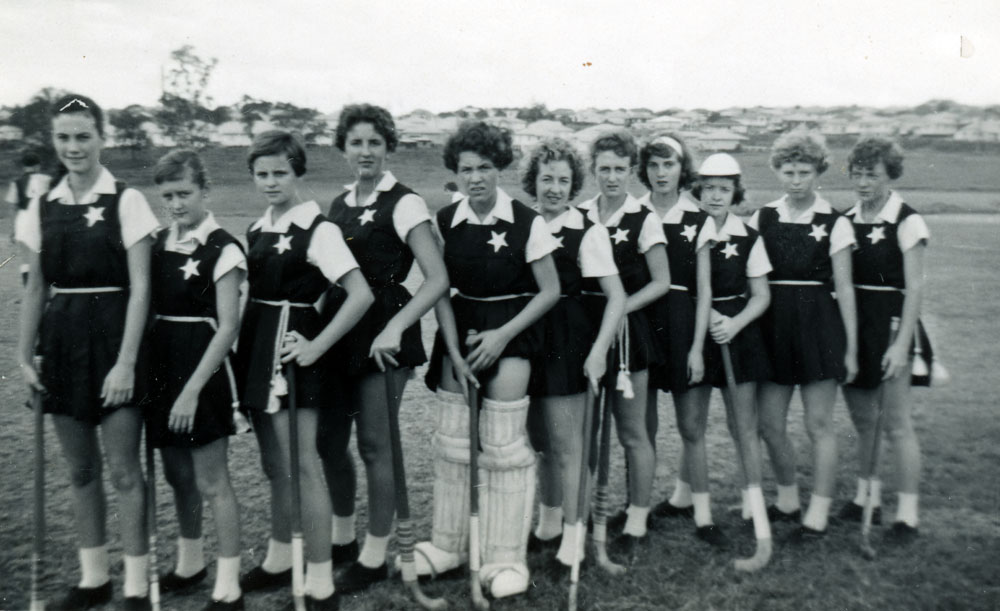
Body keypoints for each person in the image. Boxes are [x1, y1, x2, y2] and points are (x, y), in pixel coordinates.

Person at [17, 94, 159, 610]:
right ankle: (94, 579)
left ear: (102, 137)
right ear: (54, 142)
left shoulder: (127, 200)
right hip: (61, 344)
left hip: (115, 342)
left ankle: (138, 588)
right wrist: (22, 356)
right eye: (64, 137)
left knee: (123, 471)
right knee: (80, 471)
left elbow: (142, 288)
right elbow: (35, 288)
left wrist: (125, 361)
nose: (73, 147)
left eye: (83, 136)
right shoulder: (41, 206)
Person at [415, 121, 560, 598]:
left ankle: (504, 559)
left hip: (510, 332)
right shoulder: (446, 220)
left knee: (502, 447)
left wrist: (502, 336)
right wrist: (453, 348)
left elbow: (550, 290)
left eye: (484, 168)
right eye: (465, 169)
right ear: (455, 173)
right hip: (461, 329)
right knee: (454, 442)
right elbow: (440, 289)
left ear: (500, 169)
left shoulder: (526, 220)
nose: (475, 178)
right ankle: (450, 544)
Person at [236, 130, 373, 611]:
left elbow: (360, 294)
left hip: (294, 354)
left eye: (280, 172)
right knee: (273, 464)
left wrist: (316, 346)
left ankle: (320, 581)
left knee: (303, 464)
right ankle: (277, 559)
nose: (271, 182)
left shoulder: (320, 230)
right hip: (257, 347)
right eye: (262, 174)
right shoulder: (256, 229)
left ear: (298, 172)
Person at [317, 104, 449, 593]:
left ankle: (375, 555)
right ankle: (342, 536)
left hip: (385, 333)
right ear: (344, 148)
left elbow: (436, 279)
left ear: (388, 146)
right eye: (356, 142)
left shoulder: (405, 201)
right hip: (341, 327)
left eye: (375, 142)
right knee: (329, 440)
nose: (366, 151)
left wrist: (395, 327)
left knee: (374, 444)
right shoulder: (339, 203)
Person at [145, 150, 246, 610]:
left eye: (184, 193)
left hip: (201, 371)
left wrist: (190, 391)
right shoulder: (158, 241)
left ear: (205, 191)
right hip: (162, 365)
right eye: (167, 195)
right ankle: (190, 563)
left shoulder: (223, 247)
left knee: (211, 479)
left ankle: (230, 582)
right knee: (175, 473)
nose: (176, 204)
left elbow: (228, 327)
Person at [520, 138, 626, 568]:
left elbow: (616, 298)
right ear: (533, 181)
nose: (554, 188)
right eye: (546, 178)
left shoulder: (588, 231)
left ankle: (573, 537)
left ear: (574, 185)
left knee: (568, 447)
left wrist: (599, 350)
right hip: (528, 341)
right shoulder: (522, 224)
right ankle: (547, 523)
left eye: (564, 180)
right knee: (540, 442)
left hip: (567, 342)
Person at [750, 131, 858, 540]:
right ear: (778, 171)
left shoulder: (836, 222)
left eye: (804, 172)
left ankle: (819, 512)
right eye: (789, 171)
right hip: (774, 327)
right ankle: (789, 498)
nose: (796, 180)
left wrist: (849, 348)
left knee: (818, 424)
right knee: (769, 423)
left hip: (819, 327)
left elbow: (845, 287)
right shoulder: (763, 217)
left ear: (818, 172)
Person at [577, 131, 671, 551]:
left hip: (630, 331)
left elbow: (662, 282)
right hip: (584, 331)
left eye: (619, 169)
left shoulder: (643, 217)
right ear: (592, 171)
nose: (611, 177)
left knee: (632, 432)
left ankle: (636, 519)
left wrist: (621, 309)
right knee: (585, 429)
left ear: (632, 171)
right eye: (604, 170)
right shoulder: (580, 213)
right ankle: (580, 517)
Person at [638, 134, 725, 546]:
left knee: (691, 427)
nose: (660, 174)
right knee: (643, 428)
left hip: (684, 329)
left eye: (668, 165)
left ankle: (703, 515)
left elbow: (704, 291)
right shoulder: (632, 213)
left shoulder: (699, 218)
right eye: (653, 165)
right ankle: (637, 509)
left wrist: (695, 348)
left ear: (681, 168)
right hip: (640, 329)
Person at [840, 137, 928, 544]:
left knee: (895, 424)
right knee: (864, 422)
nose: (862, 183)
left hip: (893, 327)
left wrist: (901, 344)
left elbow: (914, 288)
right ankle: (866, 499)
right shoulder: (846, 219)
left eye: (871, 175)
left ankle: (907, 516)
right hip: (856, 328)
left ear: (890, 175)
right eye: (856, 174)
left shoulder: (907, 220)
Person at [692, 154, 774, 544]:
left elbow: (761, 295)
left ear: (735, 193)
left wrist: (734, 323)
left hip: (736, 333)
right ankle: (701, 511)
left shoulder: (749, 237)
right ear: (699, 191)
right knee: (693, 424)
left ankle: (752, 505)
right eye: (708, 188)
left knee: (743, 424)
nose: (715, 195)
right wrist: (706, 315)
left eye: (724, 189)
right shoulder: (687, 229)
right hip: (694, 329)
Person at [8, 149, 52, 283]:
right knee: (45, 255)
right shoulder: (47, 179)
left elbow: (12, 208)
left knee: (26, 258)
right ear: (38, 165)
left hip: (24, 219)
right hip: (43, 218)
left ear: (23, 166)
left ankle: (29, 289)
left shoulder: (16, 182)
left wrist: (13, 230)